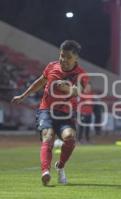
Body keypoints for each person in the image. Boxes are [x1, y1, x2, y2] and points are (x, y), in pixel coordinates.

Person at [11, 40, 89, 186]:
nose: (64, 60)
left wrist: (69, 90)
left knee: (70, 138)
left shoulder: (81, 74)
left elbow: (78, 91)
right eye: (62, 56)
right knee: (48, 136)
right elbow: (40, 82)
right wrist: (23, 95)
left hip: (66, 113)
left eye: (68, 57)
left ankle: (60, 166)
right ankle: (45, 172)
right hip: (46, 110)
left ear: (76, 58)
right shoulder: (52, 66)